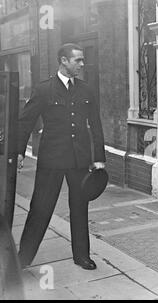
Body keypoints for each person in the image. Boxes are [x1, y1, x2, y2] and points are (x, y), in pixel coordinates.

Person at [17, 43, 106, 270]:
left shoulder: (86, 90)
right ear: (64, 61)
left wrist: (99, 158)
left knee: (80, 206)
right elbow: (26, 121)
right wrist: (19, 152)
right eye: (78, 60)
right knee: (41, 207)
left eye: (83, 60)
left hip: (79, 160)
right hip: (52, 160)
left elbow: (95, 125)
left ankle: (81, 256)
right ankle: (23, 258)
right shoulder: (44, 89)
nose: (82, 64)